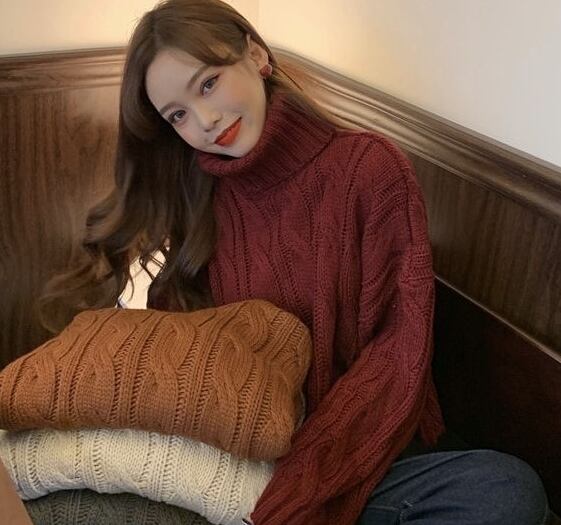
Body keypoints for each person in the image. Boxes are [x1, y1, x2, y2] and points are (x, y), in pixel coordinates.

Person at [40, 1, 550, 523]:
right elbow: (188, 363)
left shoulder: (370, 170)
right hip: (240, 460)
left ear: (256, 55)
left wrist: (296, 492)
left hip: (358, 449)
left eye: (208, 84)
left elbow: (396, 359)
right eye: (178, 115)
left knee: (506, 490)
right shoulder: (195, 194)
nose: (205, 121)